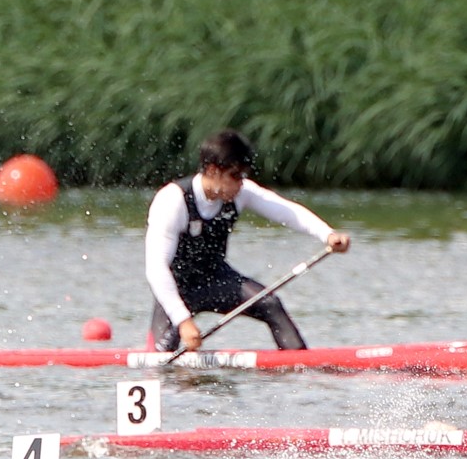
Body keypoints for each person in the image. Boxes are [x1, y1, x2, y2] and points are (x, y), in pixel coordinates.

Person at [145, 129, 350, 352]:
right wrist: (183, 321)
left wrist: (327, 234)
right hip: (176, 288)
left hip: (217, 279)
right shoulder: (172, 200)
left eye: (243, 175)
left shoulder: (241, 193)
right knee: (159, 358)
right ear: (213, 170)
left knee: (271, 305)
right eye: (235, 176)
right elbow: (156, 268)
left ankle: (302, 369)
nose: (240, 184)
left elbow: (286, 211)